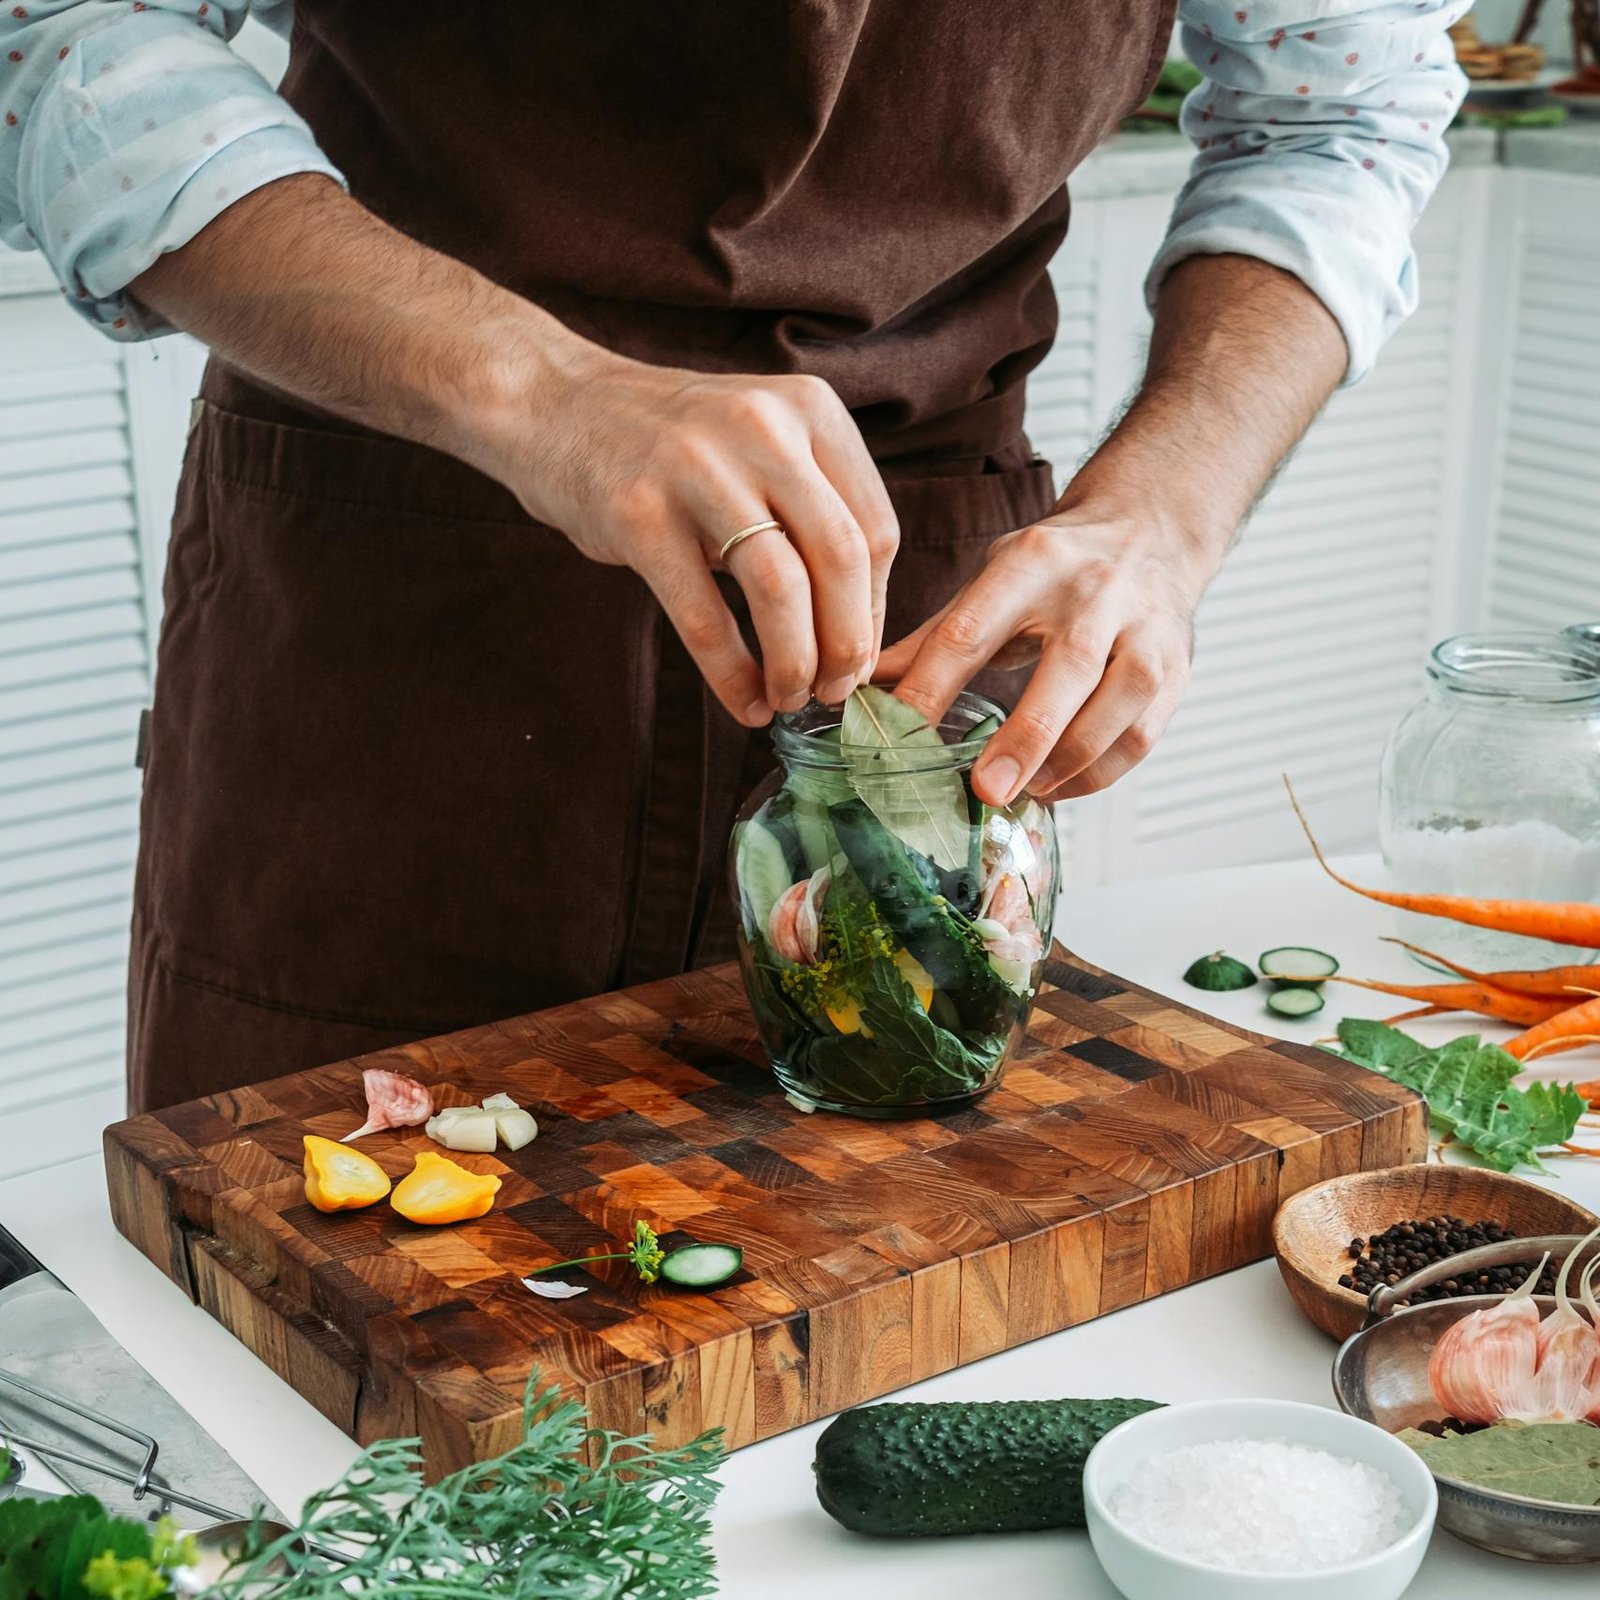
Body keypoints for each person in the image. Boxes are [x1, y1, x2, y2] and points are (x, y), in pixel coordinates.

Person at [0, 2, 1466, 1110]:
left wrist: (1166, 510)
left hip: (922, 589)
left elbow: (1337, 113)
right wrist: (533, 387)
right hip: (400, 597)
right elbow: (64, 36)